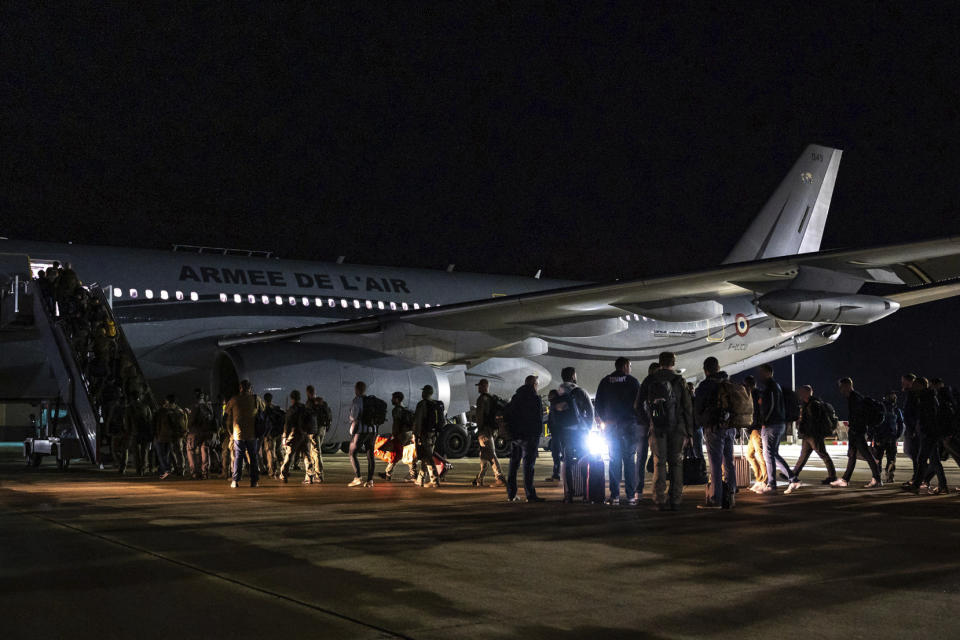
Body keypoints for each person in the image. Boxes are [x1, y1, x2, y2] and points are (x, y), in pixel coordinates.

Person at [642, 352, 693, 511]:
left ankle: (659, 499)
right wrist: (689, 432)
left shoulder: (650, 380)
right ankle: (676, 500)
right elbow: (687, 408)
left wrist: (650, 421)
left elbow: (638, 405)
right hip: (677, 428)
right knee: (676, 463)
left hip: (657, 429)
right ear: (673, 362)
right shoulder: (679, 381)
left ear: (660, 362)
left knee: (659, 463)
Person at [595, 357, 641, 506]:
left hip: (611, 427)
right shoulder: (632, 382)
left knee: (614, 461)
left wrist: (604, 420)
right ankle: (630, 496)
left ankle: (614, 496)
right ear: (626, 366)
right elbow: (639, 404)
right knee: (629, 461)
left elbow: (598, 405)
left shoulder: (605, 381)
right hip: (629, 427)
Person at [694, 357, 736, 510]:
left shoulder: (704, 386)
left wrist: (699, 424)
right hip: (730, 427)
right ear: (718, 367)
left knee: (715, 465)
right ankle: (730, 496)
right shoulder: (728, 383)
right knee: (729, 463)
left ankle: (715, 499)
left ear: (705, 370)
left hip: (714, 428)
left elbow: (698, 409)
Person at [551, 367, 595, 503]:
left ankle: (569, 494)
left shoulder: (557, 393)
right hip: (580, 432)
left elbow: (553, 416)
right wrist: (588, 428)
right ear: (573, 376)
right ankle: (585, 494)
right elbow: (590, 411)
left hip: (565, 433)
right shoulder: (579, 391)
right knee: (584, 460)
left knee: (567, 462)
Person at [756, 364, 800, 495]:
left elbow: (771, 406)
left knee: (769, 454)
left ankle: (773, 484)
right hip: (777, 423)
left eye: (762, 372)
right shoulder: (775, 386)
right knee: (772, 454)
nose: (760, 375)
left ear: (768, 373)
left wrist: (764, 421)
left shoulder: (771, 387)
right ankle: (791, 479)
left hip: (772, 424)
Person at [831, 378, 883, 488]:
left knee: (867, 455)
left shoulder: (855, 398)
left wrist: (855, 429)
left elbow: (859, 416)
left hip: (857, 431)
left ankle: (877, 479)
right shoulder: (853, 397)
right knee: (852, 455)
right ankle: (845, 480)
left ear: (847, 386)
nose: (840, 390)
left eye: (841, 387)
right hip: (856, 431)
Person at [505, 375, 544, 502]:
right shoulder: (535, 398)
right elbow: (538, 419)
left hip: (515, 437)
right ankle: (530, 495)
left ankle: (511, 494)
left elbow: (509, 414)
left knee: (513, 466)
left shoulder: (516, 397)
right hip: (529, 437)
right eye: (537, 384)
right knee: (528, 467)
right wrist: (537, 436)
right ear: (533, 385)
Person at [904, 377, 947, 494]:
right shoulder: (926, 397)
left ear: (922, 386)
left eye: (916, 385)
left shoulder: (928, 398)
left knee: (922, 460)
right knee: (934, 461)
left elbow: (930, 418)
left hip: (929, 434)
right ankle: (942, 486)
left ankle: (917, 485)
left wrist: (926, 431)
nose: (913, 387)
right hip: (929, 433)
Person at [792, 385, 838, 485]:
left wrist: (805, 428)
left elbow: (814, 421)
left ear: (807, 393)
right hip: (808, 435)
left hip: (813, 435)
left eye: (802, 392)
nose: (800, 394)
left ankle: (832, 476)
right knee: (803, 456)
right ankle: (793, 475)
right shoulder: (807, 403)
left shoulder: (813, 404)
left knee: (823, 455)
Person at [222, 379, 264, 488]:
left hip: (238, 433)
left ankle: (235, 480)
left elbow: (225, 416)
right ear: (250, 388)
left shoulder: (234, 399)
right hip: (252, 434)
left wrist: (228, 430)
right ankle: (254, 481)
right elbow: (262, 412)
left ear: (240, 388)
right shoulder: (256, 399)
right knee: (253, 457)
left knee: (238, 457)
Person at [472, 379, 505, 487]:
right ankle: (480, 479)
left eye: (480, 386)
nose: (478, 388)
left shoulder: (482, 399)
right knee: (484, 454)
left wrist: (480, 429)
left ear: (485, 386)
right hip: (491, 430)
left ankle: (499, 477)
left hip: (485, 430)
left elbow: (480, 416)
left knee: (490, 454)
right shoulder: (491, 398)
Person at [412, 384, 444, 488]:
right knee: (426, 455)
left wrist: (415, 434)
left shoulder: (422, 404)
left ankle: (435, 480)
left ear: (425, 393)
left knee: (428, 457)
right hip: (434, 434)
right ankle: (420, 479)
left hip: (425, 434)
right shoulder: (436, 404)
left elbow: (418, 421)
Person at [347, 381, 377, 487]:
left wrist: (352, 430)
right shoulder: (371, 400)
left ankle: (358, 477)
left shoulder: (357, 401)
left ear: (357, 389)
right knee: (370, 456)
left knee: (352, 453)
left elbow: (354, 417)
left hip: (361, 431)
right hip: (372, 431)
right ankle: (370, 481)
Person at [381, 391, 416, 482]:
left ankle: (388, 474)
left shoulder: (396, 410)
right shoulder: (406, 409)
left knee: (395, 454)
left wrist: (394, 435)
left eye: (393, 398)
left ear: (397, 399)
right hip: (409, 433)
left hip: (401, 435)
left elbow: (396, 423)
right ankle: (413, 474)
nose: (391, 400)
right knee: (408, 454)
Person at [741, 376, 767, 492]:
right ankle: (759, 479)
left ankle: (764, 481)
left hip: (757, 428)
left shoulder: (757, 395)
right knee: (749, 455)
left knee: (760, 455)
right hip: (753, 429)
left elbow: (758, 412)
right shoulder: (752, 395)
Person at [870, 392, 903, 484]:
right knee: (887, 459)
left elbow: (901, 424)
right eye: (893, 397)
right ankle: (885, 476)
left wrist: (871, 435)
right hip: (885, 437)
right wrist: (897, 435)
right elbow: (900, 425)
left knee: (881, 459)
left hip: (884, 438)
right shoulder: (893, 410)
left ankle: (880, 476)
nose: (894, 398)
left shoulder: (893, 410)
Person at [279, 390, 309, 483]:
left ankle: (284, 474)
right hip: (304, 434)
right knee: (306, 455)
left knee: (289, 455)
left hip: (294, 434)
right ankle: (310, 475)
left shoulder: (292, 409)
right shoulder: (304, 407)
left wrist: (285, 437)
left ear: (292, 398)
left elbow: (287, 425)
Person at [295, 386, 323, 484]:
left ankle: (314, 476)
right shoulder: (320, 403)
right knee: (316, 453)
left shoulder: (310, 404)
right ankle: (318, 475)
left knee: (312, 454)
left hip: (311, 432)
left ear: (308, 393)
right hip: (318, 430)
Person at [187, 389, 218, 480]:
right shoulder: (209, 406)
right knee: (205, 450)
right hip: (207, 432)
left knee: (191, 450)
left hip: (195, 432)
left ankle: (195, 473)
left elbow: (191, 422)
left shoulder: (195, 407)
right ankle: (205, 473)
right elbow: (214, 420)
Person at [304, 385, 332, 482]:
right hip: (322, 429)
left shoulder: (310, 403)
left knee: (315, 452)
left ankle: (319, 475)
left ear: (308, 393)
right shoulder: (322, 402)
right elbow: (329, 415)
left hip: (313, 430)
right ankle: (316, 474)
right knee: (315, 451)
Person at [125, 391, 153, 476]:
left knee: (136, 452)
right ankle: (144, 468)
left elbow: (127, 422)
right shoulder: (146, 407)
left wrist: (128, 432)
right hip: (144, 432)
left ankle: (138, 469)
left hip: (135, 432)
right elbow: (150, 420)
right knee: (144, 451)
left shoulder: (129, 408)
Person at [257, 392, 285, 479]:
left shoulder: (264, 410)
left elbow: (262, 422)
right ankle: (283, 469)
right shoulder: (277, 408)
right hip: (279, 433)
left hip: (270, 434)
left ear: (264, 399)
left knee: (270, 452)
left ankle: (272, 471)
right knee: (279, 451)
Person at [899, 373, 919, 477]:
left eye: (903, 381)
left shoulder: (914, 394)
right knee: (910, 451)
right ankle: (919, 475)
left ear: (909, 382)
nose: (902, 383)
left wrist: (913, 429)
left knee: (913, 452)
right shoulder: (910, 393)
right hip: (911, 428)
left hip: (914, 428)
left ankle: (919, 476)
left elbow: (914, 413)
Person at [545, 389, 562, 481]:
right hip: (556, 433)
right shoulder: (554, 405)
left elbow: (554, 420)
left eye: (550, 395)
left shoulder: (555, 405)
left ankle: (557, 474)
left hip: (557, 433)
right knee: (555, 454)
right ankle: (556, 474)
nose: (548, 397)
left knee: (556, 454)